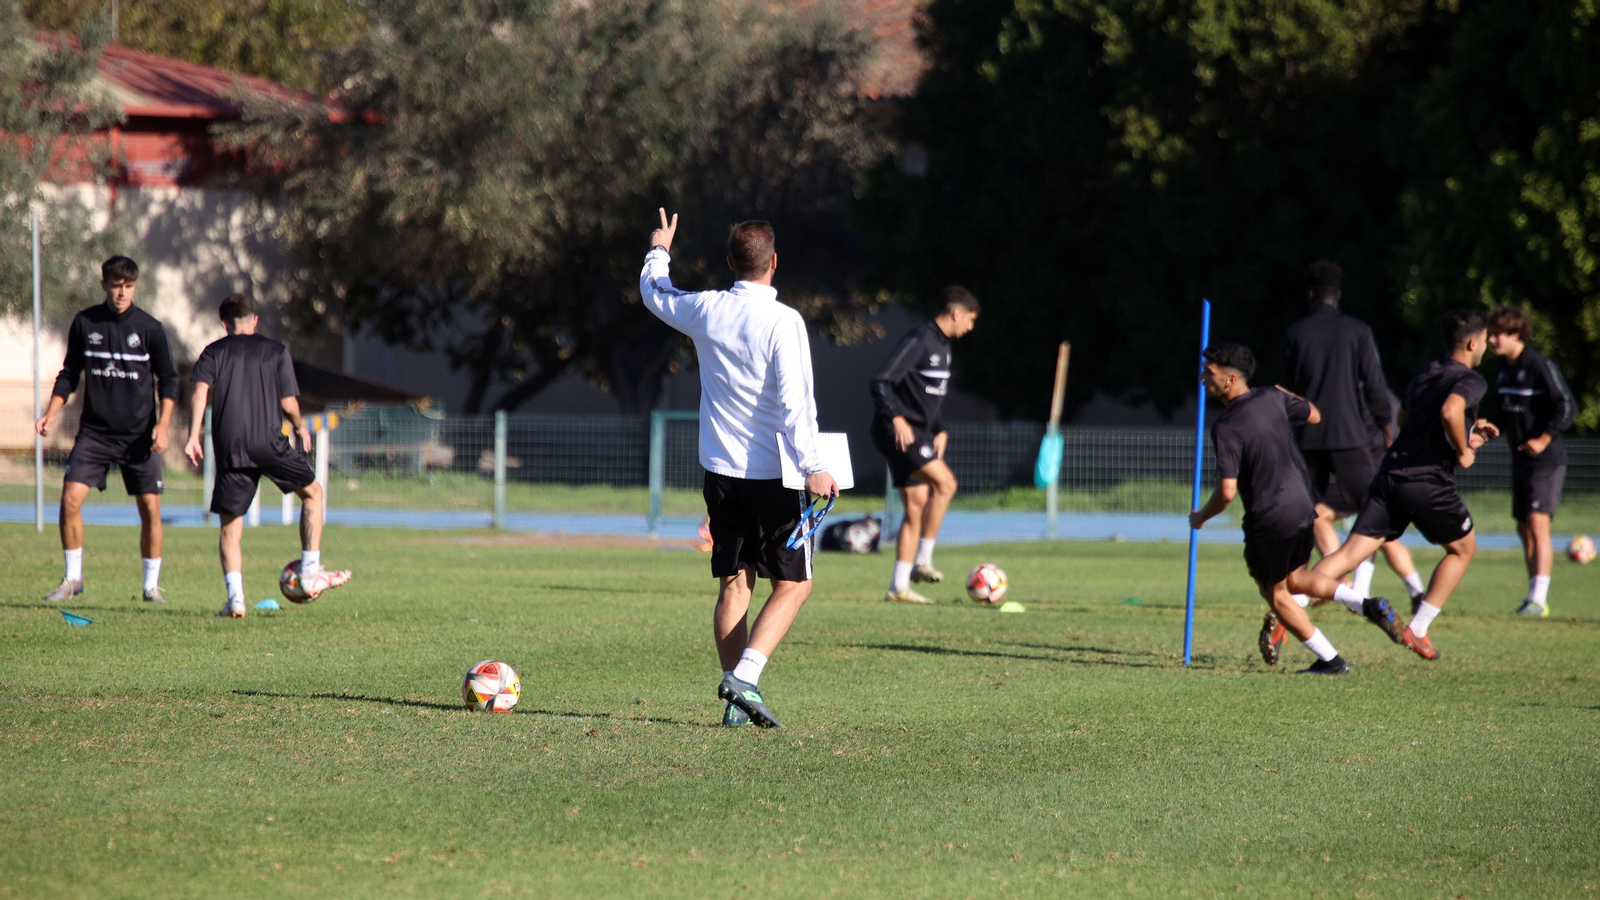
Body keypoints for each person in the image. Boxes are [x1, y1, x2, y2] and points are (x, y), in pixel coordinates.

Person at [639, 209, 837, 728]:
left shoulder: (705, 308)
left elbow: (655, 292)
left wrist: (660, 247)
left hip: (721, 473)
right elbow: (797, 403)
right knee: (794, 585)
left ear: (730, 263)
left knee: (734, 583)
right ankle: (745, 678)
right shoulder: (784, 320)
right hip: (776, 474)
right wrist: (815, 464)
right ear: (774, 263)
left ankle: (734, 705)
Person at [1188, 343, 1403, 674]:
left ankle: (1330, 660)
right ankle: (1366, 603)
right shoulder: (1272, 397)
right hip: (1304, 507)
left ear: (1230, 379)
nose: (1202, 377)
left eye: (1209, 371)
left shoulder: (1227, 426)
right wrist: (1283, 394)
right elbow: (1314, 415)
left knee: (1275, 595)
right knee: (1297, 578)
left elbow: (1227, 492)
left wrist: (1200, 516)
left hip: (1269, 518)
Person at [1313, 310, 1501, 660]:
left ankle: (1288, 605)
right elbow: (1450, 411)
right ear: (1473, 343)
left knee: (1346, 555)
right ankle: (1419, 627)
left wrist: (1470, 434)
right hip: (1427, 481)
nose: (1486, 348)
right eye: (1485, 342)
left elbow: (1405, 418)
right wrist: (1463, 450)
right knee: (1463, 549)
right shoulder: (1472, 380)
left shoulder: (1426, 373)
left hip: (1389, 476)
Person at [183, 294, 350, 618]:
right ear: (254, 320)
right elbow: (288, 403)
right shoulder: (275, 351)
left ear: (224, 323)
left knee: (231, 527)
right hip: (269, 442)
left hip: (231, 446)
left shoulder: (214, 351)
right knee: (313, 493)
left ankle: (236, 600)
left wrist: (192, 436)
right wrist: (300, 426)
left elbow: (200, 391)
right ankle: (310, 570)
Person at [35, 256, 179, 603]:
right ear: (104, 285)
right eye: (116, 285)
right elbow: (70, 373)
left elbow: (170, 379)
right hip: (95, 434)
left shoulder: (150, 329)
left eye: (128, 286)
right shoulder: (86, 323)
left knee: (150, 509)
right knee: (69, 499)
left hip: (139, 436)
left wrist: (163, 424)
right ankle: (72, 578)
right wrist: (51, 411)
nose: (122, 292)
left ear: (135, 286)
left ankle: (150, 586)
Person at [868, 287, 979, 604]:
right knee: (946, 484)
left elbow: (926, 398)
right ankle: (923, 560)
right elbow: (881, 382)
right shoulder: (920, 339)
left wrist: (940, 429)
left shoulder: (943, 346)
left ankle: (898, 587)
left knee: (915, 506)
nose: (970, 327)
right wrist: (898, 419)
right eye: (970, 320)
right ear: (957, 313)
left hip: (916, 433)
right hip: (897, 432)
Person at [1280, 261, 1392, 562]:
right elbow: (1373, 384)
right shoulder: (1357, 331)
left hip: (1307, 437)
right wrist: (1385, 425)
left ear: (1310, 294)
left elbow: (1288, 390)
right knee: (1375, 507)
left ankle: (1299, 588)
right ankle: (1380, 581)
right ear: (1338, 295)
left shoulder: (1294, 333)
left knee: (1303, 513)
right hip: (1348, 435)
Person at [1487, 306, 1577, 617]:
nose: (1491, 339)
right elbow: (1503, 409)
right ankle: (1532, 595)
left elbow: (1567, 407)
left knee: (1538, 524)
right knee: (1523, 527)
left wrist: (1543, 438)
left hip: (1547, 460)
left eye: (1497, 333)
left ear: (1516, 334)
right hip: (1520, 458)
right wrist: (1488, 427)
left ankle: (1539, 599)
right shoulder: (1502, 368)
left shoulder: (1539, 365)